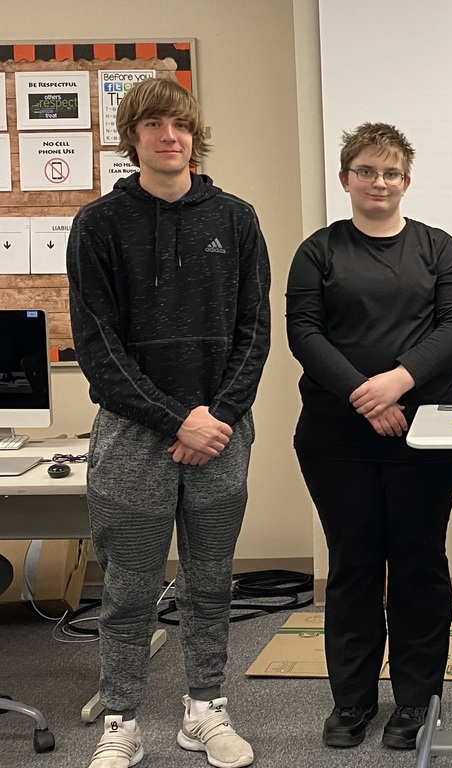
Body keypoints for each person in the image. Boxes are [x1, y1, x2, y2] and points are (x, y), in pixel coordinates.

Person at [67, 78, 271, 768]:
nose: (169, 135)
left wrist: (216, 418)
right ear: (134, 138)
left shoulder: (237, 219)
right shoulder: (98, 225)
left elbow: (254, 333)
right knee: (128, 587)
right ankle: (121, 720)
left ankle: (205, 708)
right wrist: (174, 420)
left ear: (194, 134)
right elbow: (98, 350)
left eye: (179, 124)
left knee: (210, 582)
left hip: (220, 434)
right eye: (153, 124)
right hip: (133, 439)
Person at [286, 122, 452, 750]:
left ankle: (416, 702)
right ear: (346, 179)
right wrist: (367, 399)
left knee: (419, 565)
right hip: (337, 436)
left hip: (426, 435)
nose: (379, 182)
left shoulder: (437, 248)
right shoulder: (318, 252)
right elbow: (305, 335)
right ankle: (353, 703)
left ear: (406, 182)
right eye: (366, 171)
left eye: (391, 172)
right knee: (354, 565)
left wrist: (396, 382)